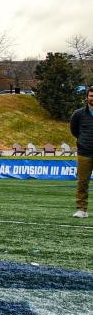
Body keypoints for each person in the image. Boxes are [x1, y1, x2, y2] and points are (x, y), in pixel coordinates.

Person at [70, 87, 93, 218]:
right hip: (84, 153)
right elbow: (74, 131)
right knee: (82, 183)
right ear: (87, 97)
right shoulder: (78, 114)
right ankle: (81, 210)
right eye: (91, 95)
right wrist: (83, 141)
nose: (92, 98)